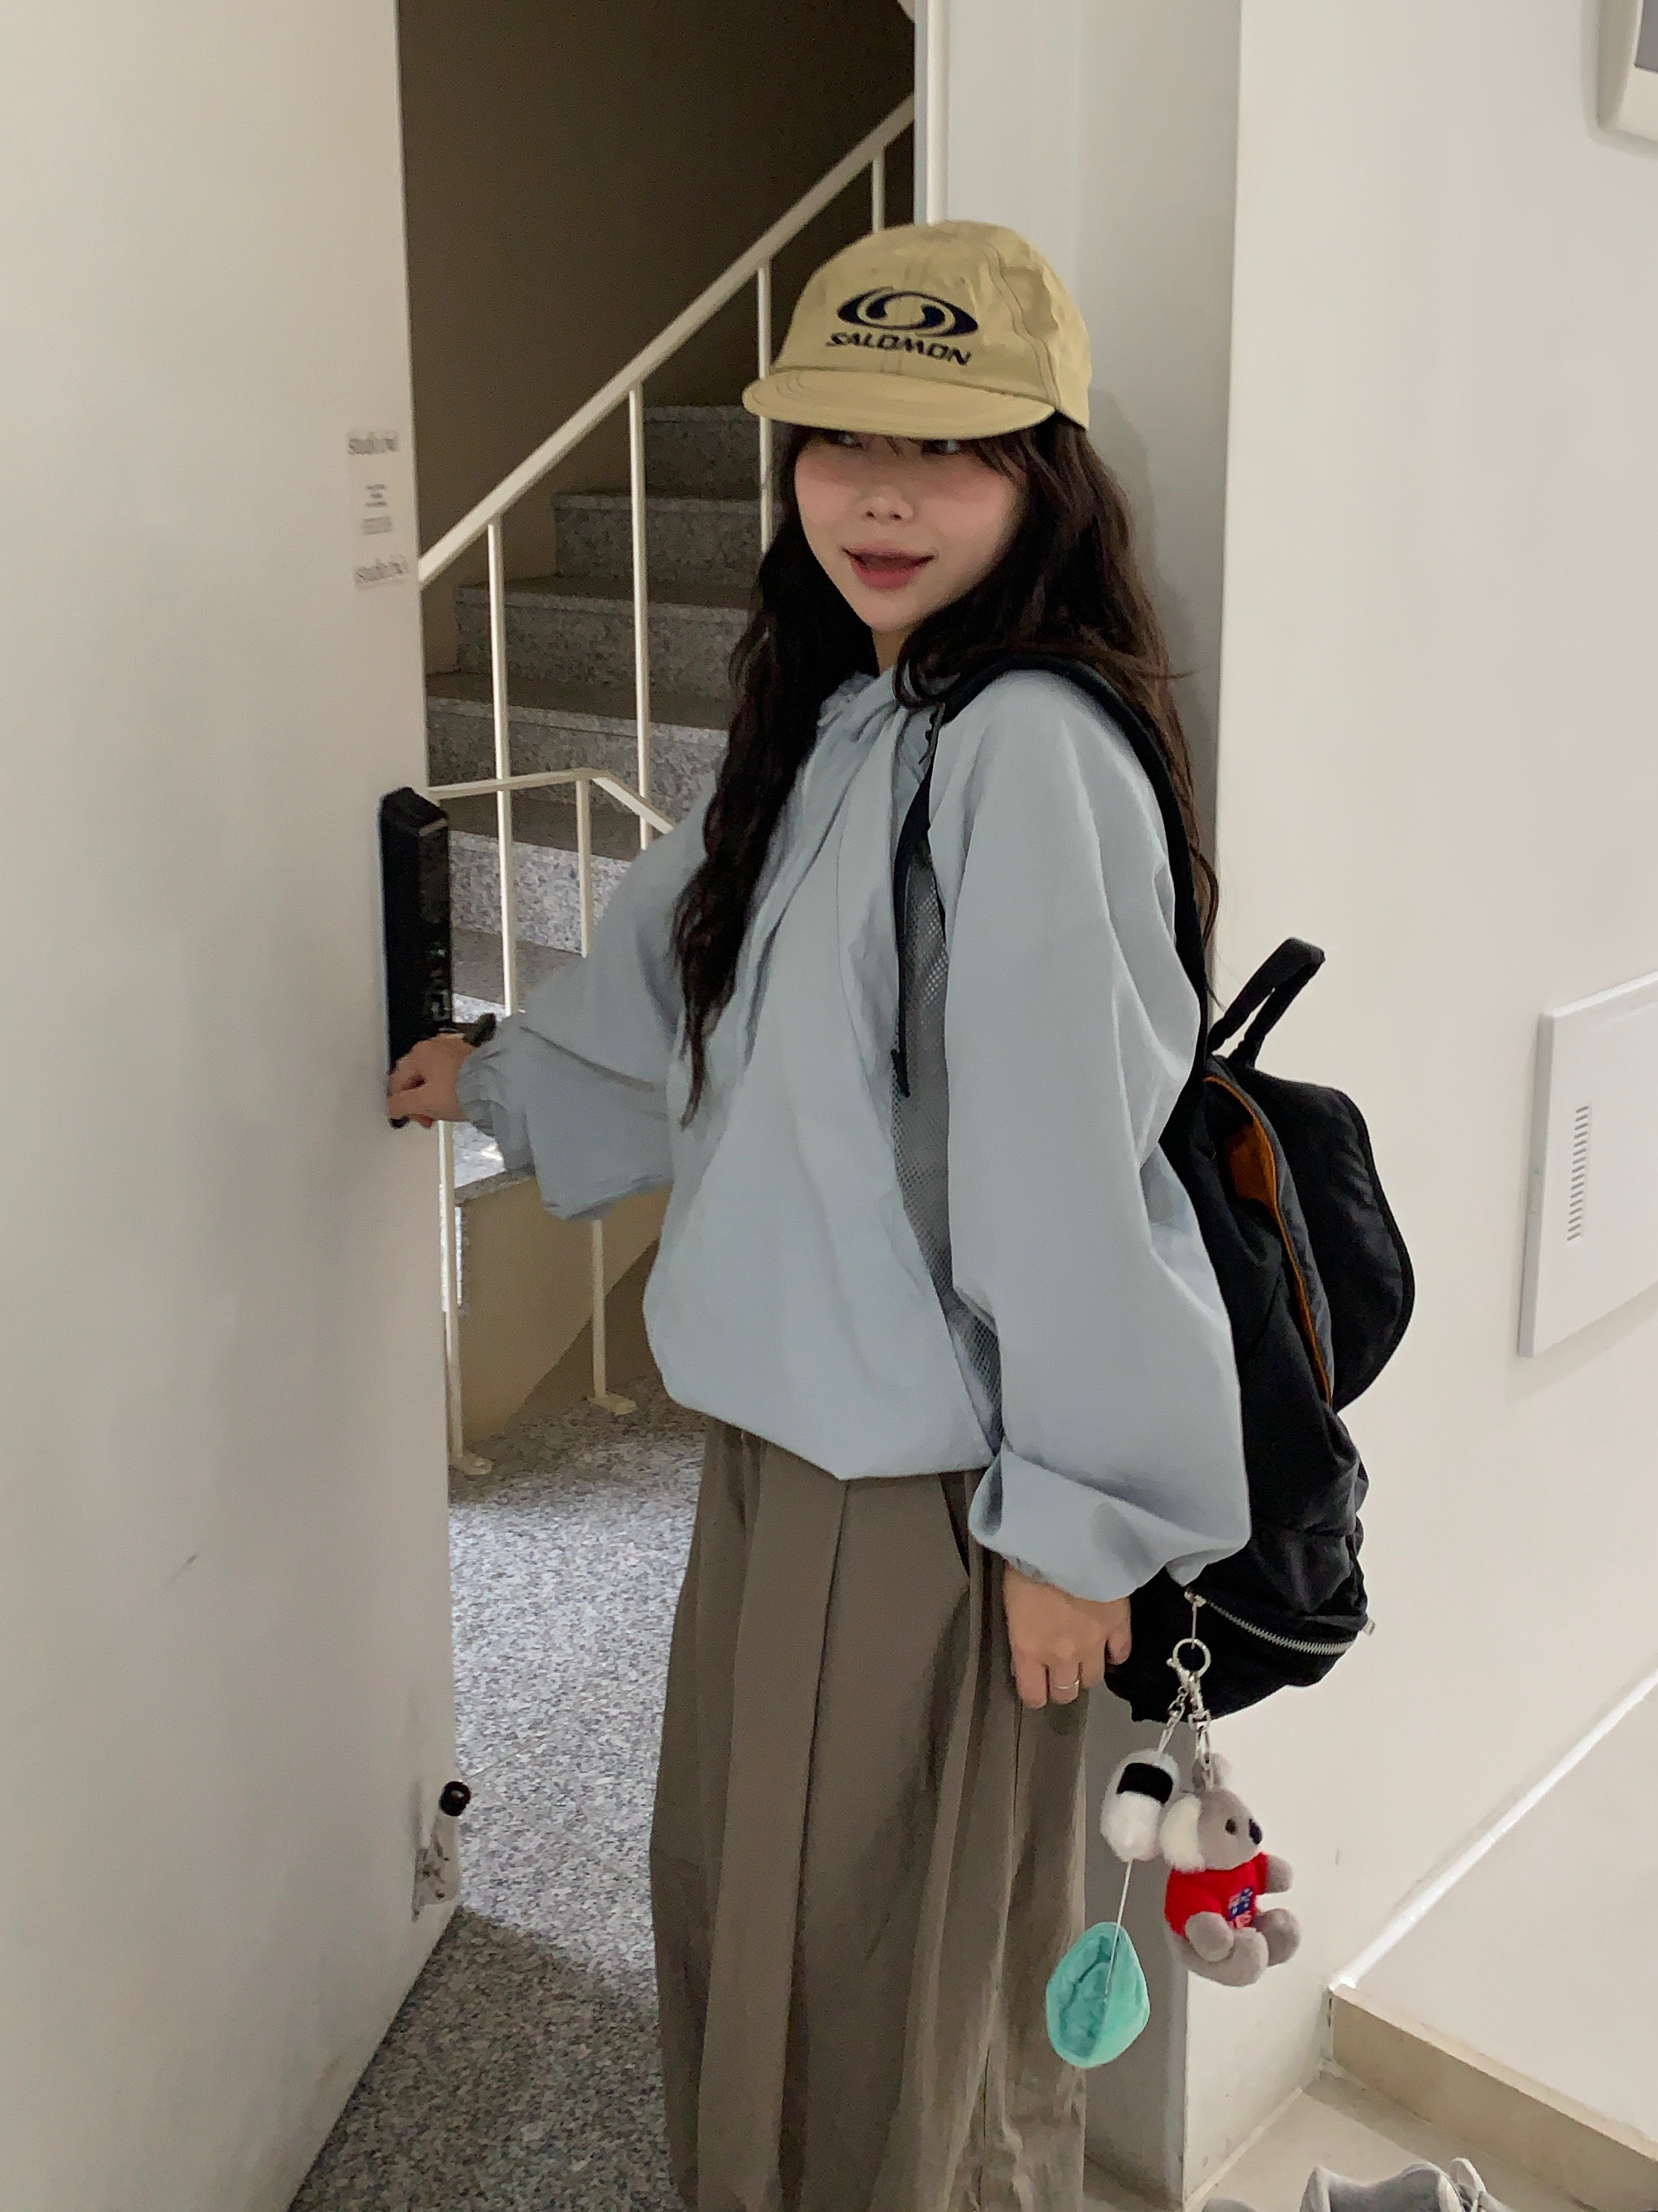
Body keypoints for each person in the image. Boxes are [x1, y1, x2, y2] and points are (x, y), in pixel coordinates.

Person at [389, 220, 1250, 2212]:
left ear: (1042, 474)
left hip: (941, 1489)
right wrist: (500, 1079)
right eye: (840, 440)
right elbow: (695, 1000)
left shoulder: (1027, 744)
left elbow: (1068, 1163)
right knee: (759, 1909)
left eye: (944, 451)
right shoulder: (845, 709)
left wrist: (1077, 1518)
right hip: (786, 1448)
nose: (878, 494)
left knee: (897, 1974)